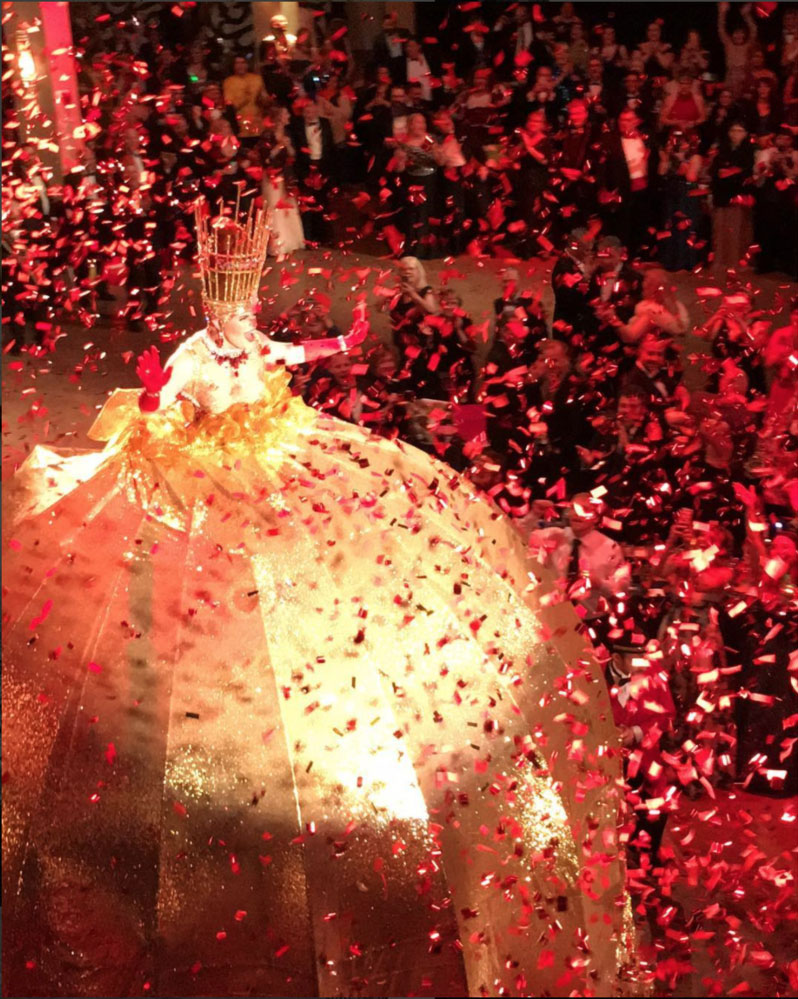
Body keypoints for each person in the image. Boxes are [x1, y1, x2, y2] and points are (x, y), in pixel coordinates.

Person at [2, 198, 631, 998]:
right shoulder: (200, 348)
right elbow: (166, 403)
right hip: (208, 468)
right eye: (230, 314)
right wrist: (161, 392)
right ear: (213, 310)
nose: (239, 326)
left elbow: (291, 353)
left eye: (244, 313)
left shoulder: (251, 340)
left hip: (266, 453)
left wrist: (343, 343)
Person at [710, 119, 755, 274]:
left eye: (740, 131)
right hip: (722, 195)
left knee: (738, 229)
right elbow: (717, 171)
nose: (736, 134)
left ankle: (736, 261)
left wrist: (732, 172)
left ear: (746, 133)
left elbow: (746, 172)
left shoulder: (749, 151)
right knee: (720, 228)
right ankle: (721, 260)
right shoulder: (722, 149)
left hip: (739, 195)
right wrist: (731, 172)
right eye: (733, 130)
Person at [260, 106, 304, 257]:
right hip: (272, 176)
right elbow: (266, 158)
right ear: (278, 116)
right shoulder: (267, 135)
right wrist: (279, 146)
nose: (289, 116)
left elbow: (292, 155)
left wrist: (288, 145)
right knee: (274, 207)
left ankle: (291, 240)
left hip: (286, 175)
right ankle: (276, 244)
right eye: (286, 113)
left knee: (288, 207)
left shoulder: (287, 133)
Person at [223, 54, 269, 143]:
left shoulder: (257, 79)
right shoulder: (228, 82)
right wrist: (246, 97)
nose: (240, 65)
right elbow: (231, 106)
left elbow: (265, 99)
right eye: (237, 63)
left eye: (243, 62)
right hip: (241, 127)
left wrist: (264, 100)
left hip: (258, 124)